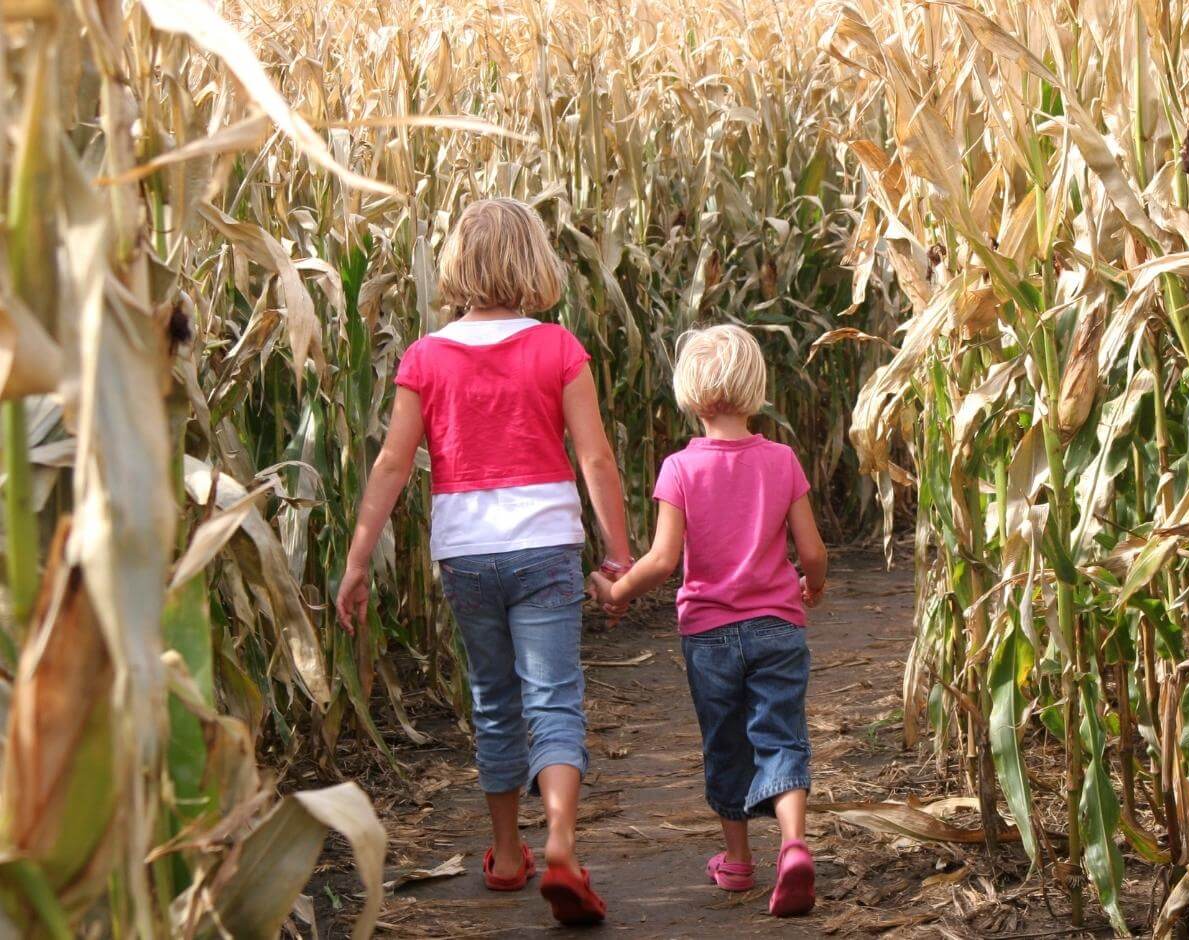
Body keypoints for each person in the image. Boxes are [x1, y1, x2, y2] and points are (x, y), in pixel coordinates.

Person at [336, 198, 630, 926]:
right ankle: (560, 841)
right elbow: (593, 456)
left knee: (494, 701)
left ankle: (504, 854)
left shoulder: (426, 356)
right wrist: (621, 552)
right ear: (535, 261)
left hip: (467, 552)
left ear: (458, 265)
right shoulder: (558, 347)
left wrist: (357, 560)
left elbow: (392, 465)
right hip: (545, 545)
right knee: (553, 696)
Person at [588, 324, 827, 917]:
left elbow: (664, 561)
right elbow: (813, 551)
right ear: (755, 390)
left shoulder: (679, 469)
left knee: (725, 744)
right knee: (781, 735)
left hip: (709, 635)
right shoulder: (782, 460)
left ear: (689, 394)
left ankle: (739, 863)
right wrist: (812, 585)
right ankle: (793, 846)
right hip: (778, 625)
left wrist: (618, 590)